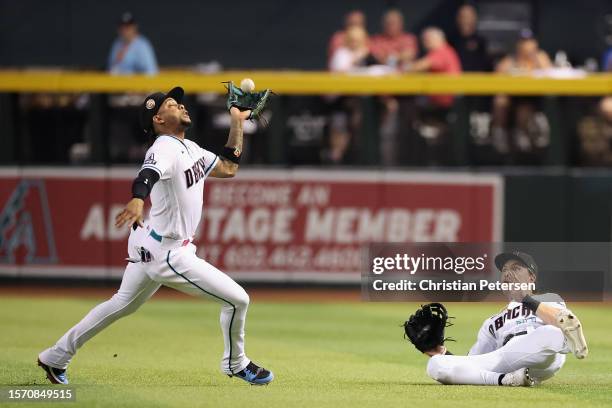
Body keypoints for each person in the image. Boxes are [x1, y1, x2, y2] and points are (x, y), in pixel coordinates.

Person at [37, 87, 274, 386]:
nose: (182, 106)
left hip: (151, 241)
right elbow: (147, 174)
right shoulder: (163, 146)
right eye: (173, 105)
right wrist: (138, 198)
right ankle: (236, 363)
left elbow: (228, 167)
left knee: (120, 305)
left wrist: (237, 121)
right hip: (169, 252)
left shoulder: (190, 148)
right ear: (159, 119)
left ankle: (55, 357)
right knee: (238, 300)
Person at [406, 251, 588, 386]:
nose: (508, 273)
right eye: (505, 270)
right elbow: (474, 361)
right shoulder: (491, 322)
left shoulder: (547, 299)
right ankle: (508, 380)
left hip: (545, 353)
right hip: (506, 360)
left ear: (531, 277)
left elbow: (559, 318)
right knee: (436, 365)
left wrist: (526, 299)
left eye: (516, 268)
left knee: (553, 330)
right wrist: (441, 352)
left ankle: (572, 342)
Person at [449, 4, 491, 72]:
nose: (466, 20)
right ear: (458, 18)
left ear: (475, 18)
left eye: (469, 17)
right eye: (463, 16)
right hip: (456, 80)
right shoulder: (451, 40)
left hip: (476, 80)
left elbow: (488, 66)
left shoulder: (481, 41)